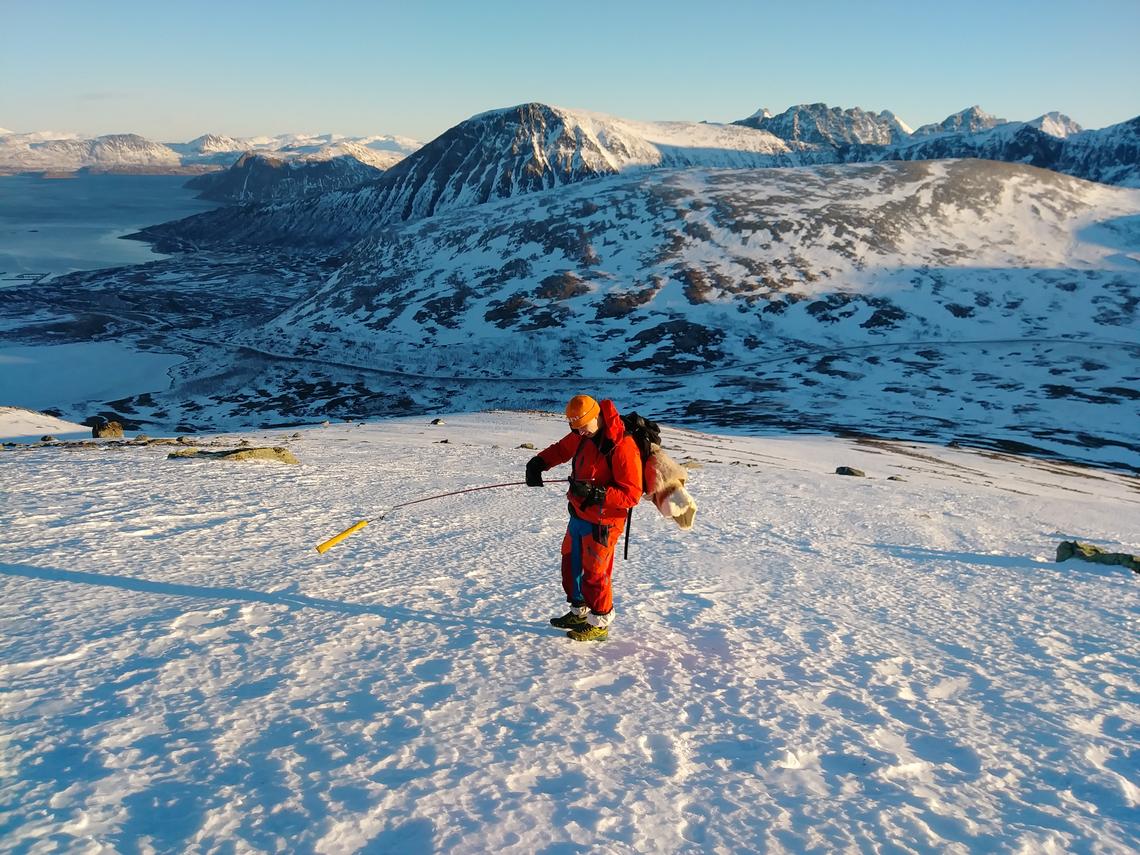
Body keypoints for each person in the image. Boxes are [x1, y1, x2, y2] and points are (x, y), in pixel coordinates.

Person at [525, 395, 643, 641]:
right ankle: (579, 612)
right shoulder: (581, 436)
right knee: (571, 566)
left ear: (597, 416)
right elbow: (561, 450)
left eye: (583, 426)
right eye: (574, 428)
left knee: (594, 574)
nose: (579, 432)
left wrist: (597, 493)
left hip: (604, 523)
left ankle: (599, 622)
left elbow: (631, 495)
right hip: (578, 514)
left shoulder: (622, 446)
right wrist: (538, 463)